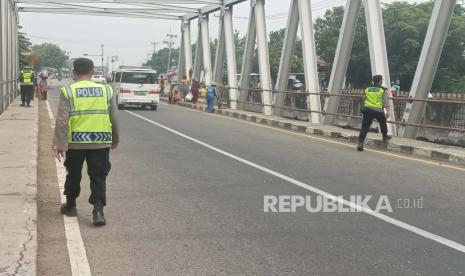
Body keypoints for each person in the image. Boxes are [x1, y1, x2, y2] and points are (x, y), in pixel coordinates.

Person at [53, 58, 119, 226]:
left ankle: (70, 205)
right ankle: (98, 211)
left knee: (73, 173)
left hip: (76, 142)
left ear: (74, 72)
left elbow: (62, 120)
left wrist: (59, 143)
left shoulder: (68, 90)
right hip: (101, 142)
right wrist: (115, 138)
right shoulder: (106, 90)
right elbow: (114, 117)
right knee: (99, 176)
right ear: (92, 71)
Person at [357, 75, 391, 151]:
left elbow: (363, 98)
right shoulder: (383, 90)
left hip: (368, 109)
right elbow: (386, 102)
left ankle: (360, 143)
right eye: (382, 80)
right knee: (383, 122)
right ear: (380, 81)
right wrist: (388, 112)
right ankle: (385, 137)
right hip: (378, 110)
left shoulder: (367, 89)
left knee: (365, 126)